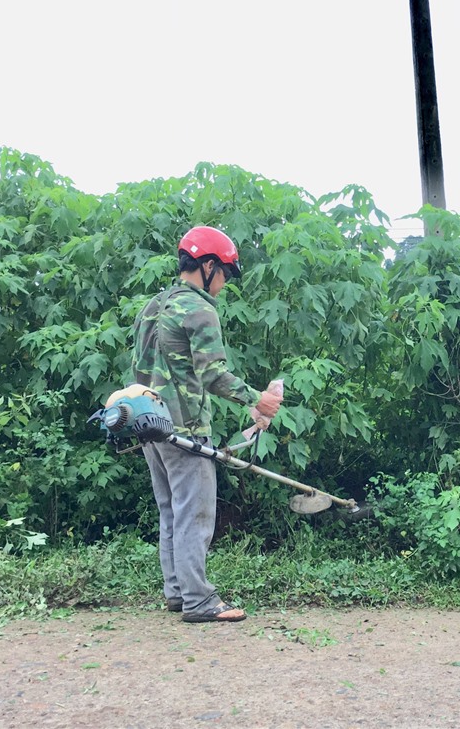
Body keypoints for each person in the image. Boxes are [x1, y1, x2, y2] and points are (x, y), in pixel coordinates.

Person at [131, 225, 282, 623]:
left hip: (149, 423)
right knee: (195, 515)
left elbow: (139, 369)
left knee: (171, 512)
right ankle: (199, 601)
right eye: (225, 276)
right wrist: (258, 400)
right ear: (209, 265)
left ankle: (178, 593)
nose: (224, 286)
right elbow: (213, 374)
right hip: (185, 431)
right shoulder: (198, 308)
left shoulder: (152, 306)